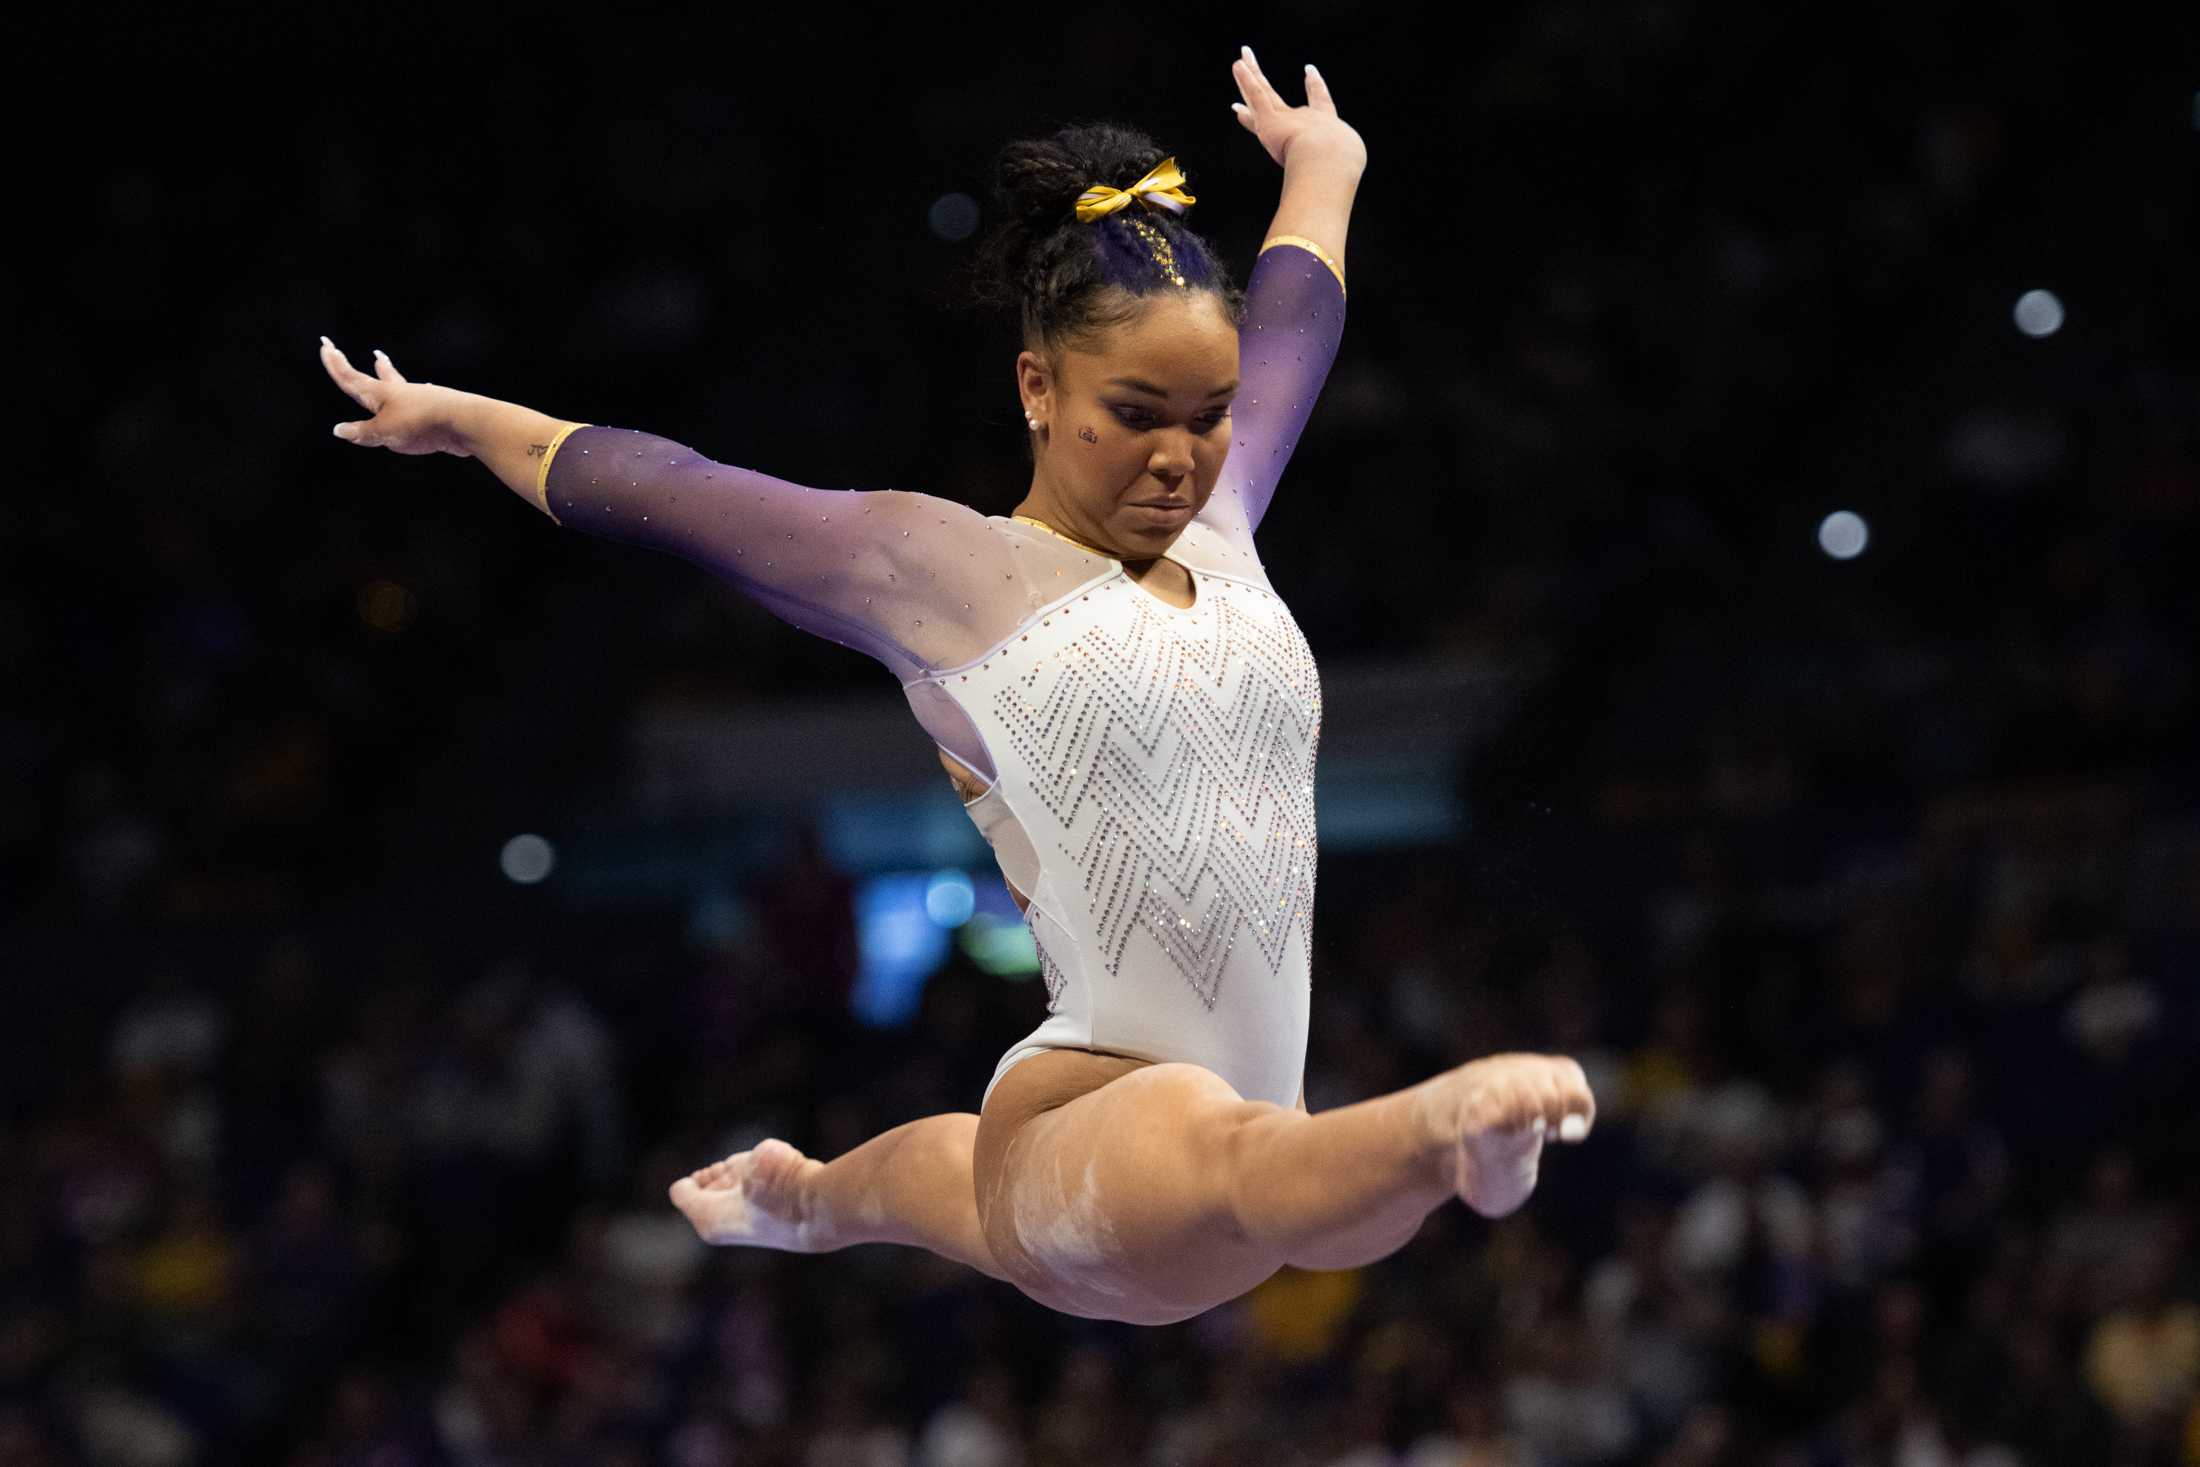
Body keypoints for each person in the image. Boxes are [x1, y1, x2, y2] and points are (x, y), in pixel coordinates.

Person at [318, 47, 1595, 1326]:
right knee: (1238, 1170)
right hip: (1102, 1121)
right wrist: (464, 420)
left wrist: (1327, 164)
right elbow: (675, 490)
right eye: (1136, 410)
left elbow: (1298, 322)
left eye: (1207, 414)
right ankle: (1447, 1137)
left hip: (1157, 1174)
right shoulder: (943, 571)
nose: (1179, 455)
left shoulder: (1223, 524)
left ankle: (801, 1202)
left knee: (1184, 1186)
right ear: (1037, 387)